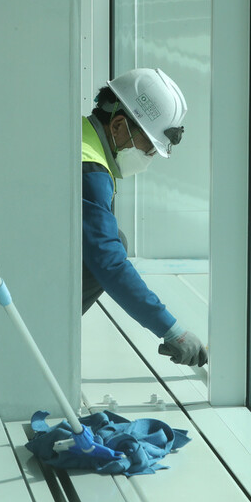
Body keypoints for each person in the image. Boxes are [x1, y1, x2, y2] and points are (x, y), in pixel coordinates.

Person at [82, 68, 208, 367]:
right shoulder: (89, 171)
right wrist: (171, 329)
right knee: (110, 252)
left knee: (118, 240)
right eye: (149, 146)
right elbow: (108, 263)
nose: (150, 156)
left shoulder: (78, 138)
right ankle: (40, 334)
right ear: (118, 126)